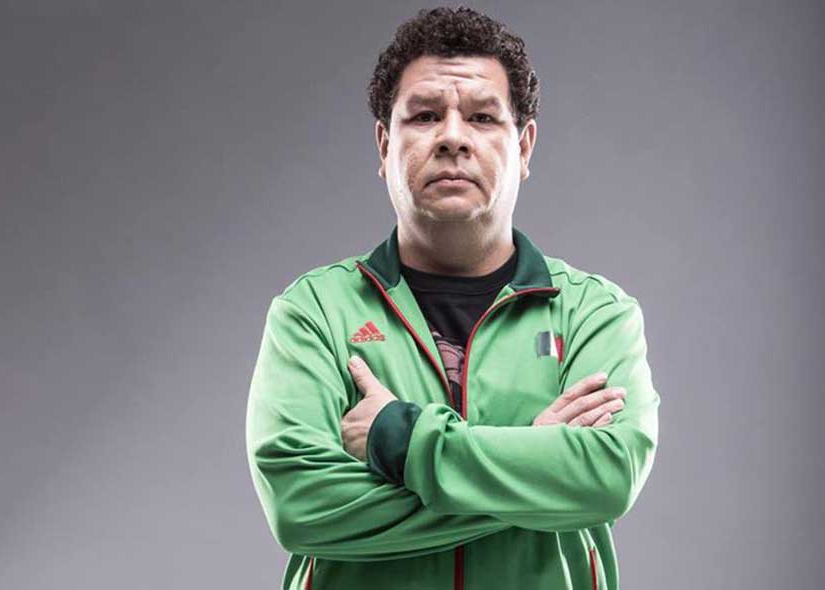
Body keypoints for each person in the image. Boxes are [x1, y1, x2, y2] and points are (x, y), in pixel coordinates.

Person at [245, 6, 660, 590]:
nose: (453, 138)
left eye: (483, 117)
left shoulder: (594, 313)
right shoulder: (314, 313)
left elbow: (606, 478)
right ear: (385, 146)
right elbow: (301, 506)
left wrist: (400, 438)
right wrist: (534, 464)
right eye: (424, 116)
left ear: (525, 147)